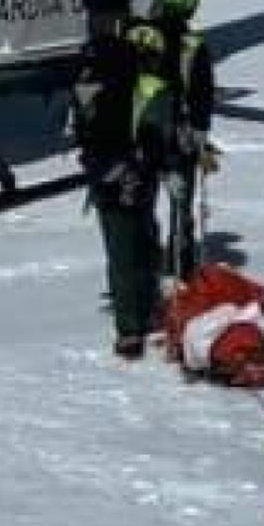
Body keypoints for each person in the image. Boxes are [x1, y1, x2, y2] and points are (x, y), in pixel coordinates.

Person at [72, 21, 177, 359]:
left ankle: (130, 327)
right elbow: (158, 137)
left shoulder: (90, 86)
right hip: (138, 176)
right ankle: (142, 315)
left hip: (102, 176)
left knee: (119, 252)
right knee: (143, 239)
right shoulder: (152, 87)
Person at [140, 0, 218, 281]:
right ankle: (180, 262)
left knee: (142, 200)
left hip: (141, 132)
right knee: (181, 204)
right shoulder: (193, 46)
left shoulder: (139, 39)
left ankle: (144, 257)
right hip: (177, 135)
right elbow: (202, 95)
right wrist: (200, 135)